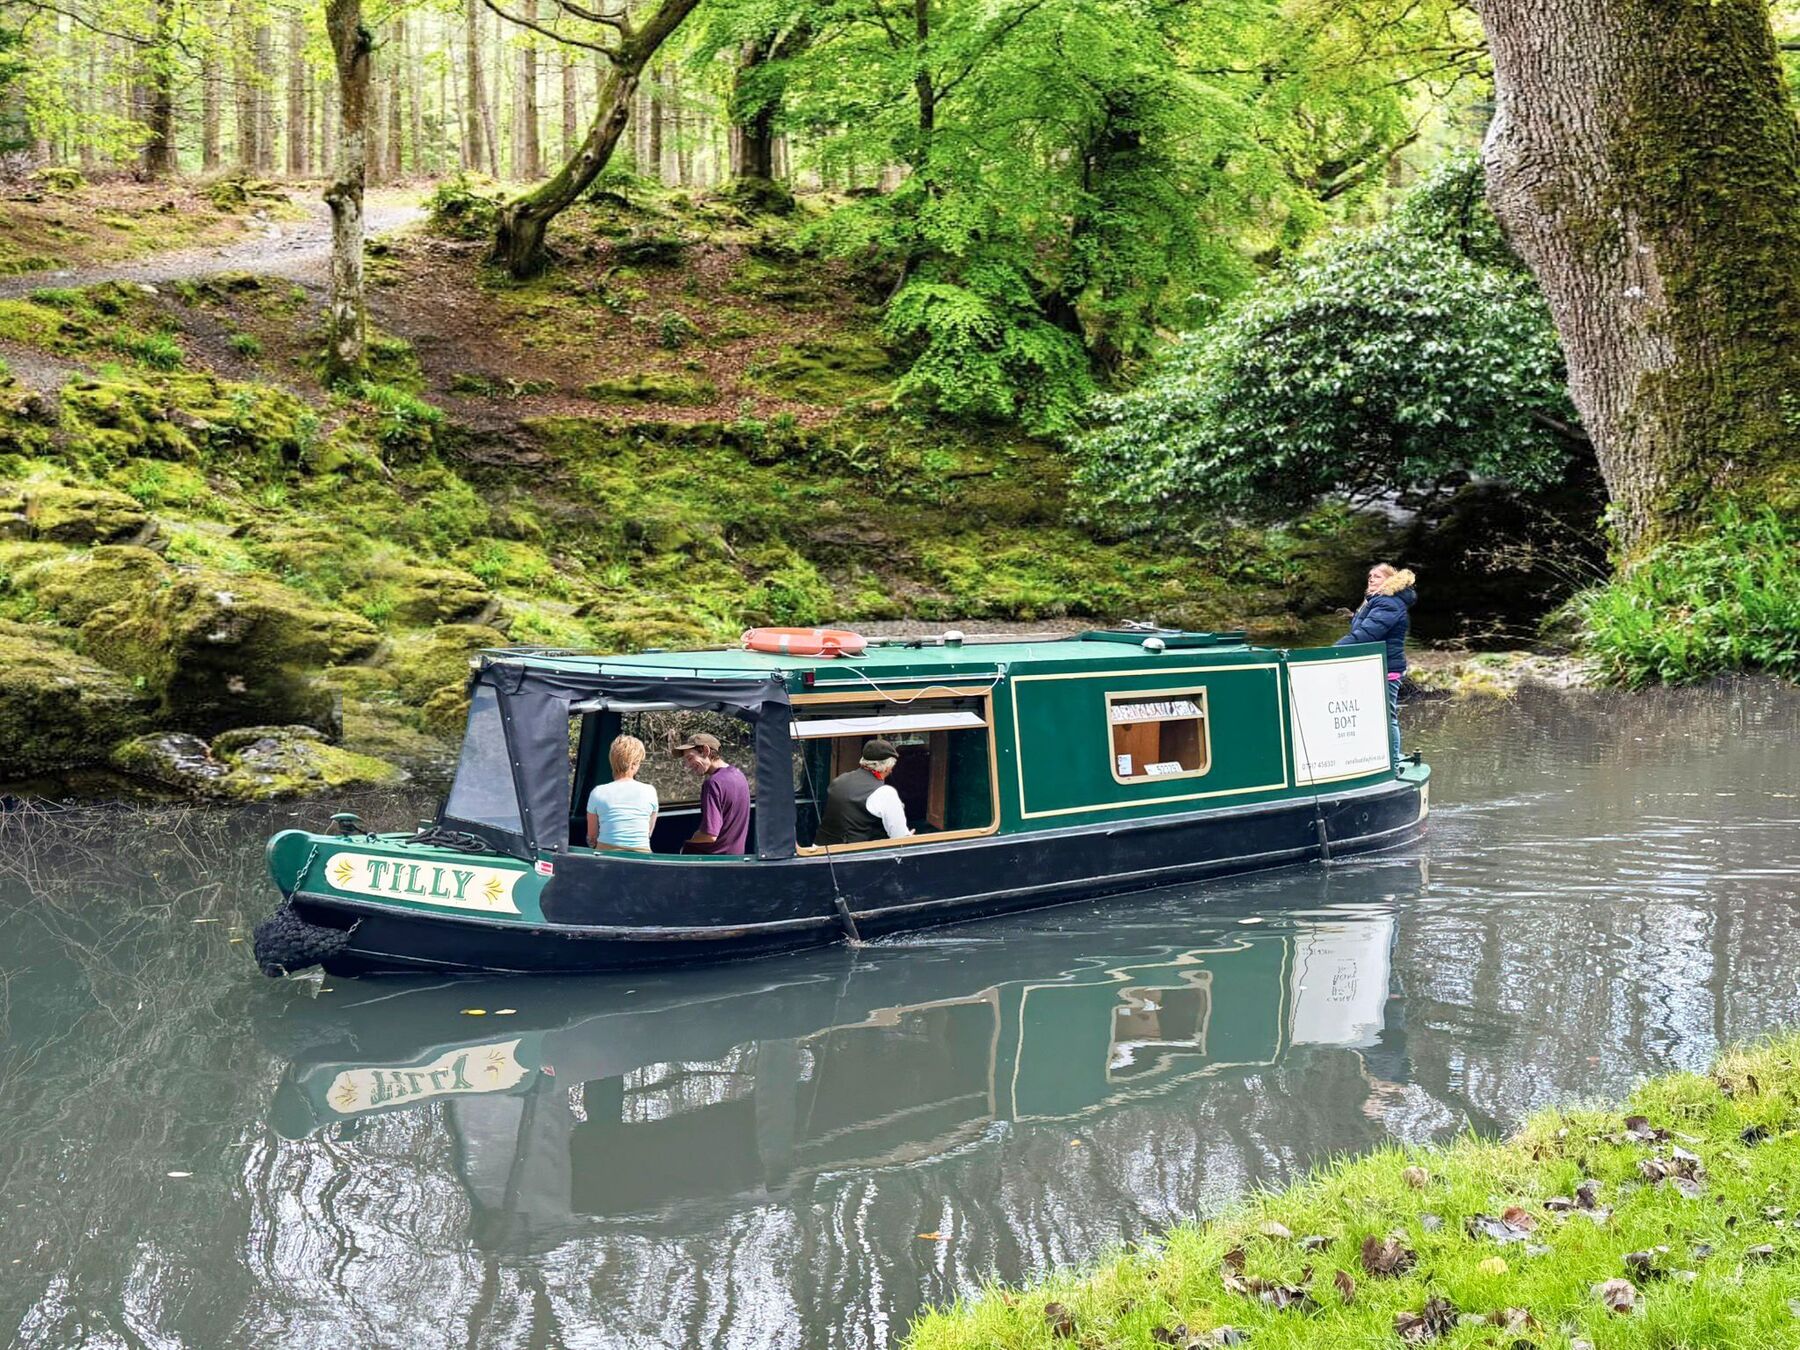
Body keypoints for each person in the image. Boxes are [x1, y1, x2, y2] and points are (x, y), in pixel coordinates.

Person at [1335, 562, 1417, 764]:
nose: (1371, 578)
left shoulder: (1387, 603)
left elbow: (1367, 634)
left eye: (1377, 576)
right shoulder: (1376, 601)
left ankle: (1395, 761)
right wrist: (1353, 617)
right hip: (1372, 667)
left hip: (1386, 668)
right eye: (1370, 575)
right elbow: (1367, 627)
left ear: (1390, 581)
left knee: (1388, 717)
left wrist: (1333, 651)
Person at [813, 738, 912, 847]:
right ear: (887, 767)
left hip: (820, 850)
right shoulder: (886, 794)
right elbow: (900, 838)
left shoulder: (839, 780)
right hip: (853, 857)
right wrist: (908, 837)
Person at [674, 732, 751, 855]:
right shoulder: (739, 775)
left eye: (690, 758)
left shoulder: (713, 784)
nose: (688, 766)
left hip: (711, 861)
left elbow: (710, 835)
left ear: (705, 750)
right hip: (736, 857)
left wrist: (689, 842)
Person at [586, 735, 659, 852]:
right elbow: (648, 833)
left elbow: (592, 837)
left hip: (606, 857)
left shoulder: (597, 792)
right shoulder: (650, 791)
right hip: (642, 858)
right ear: (634, 764)